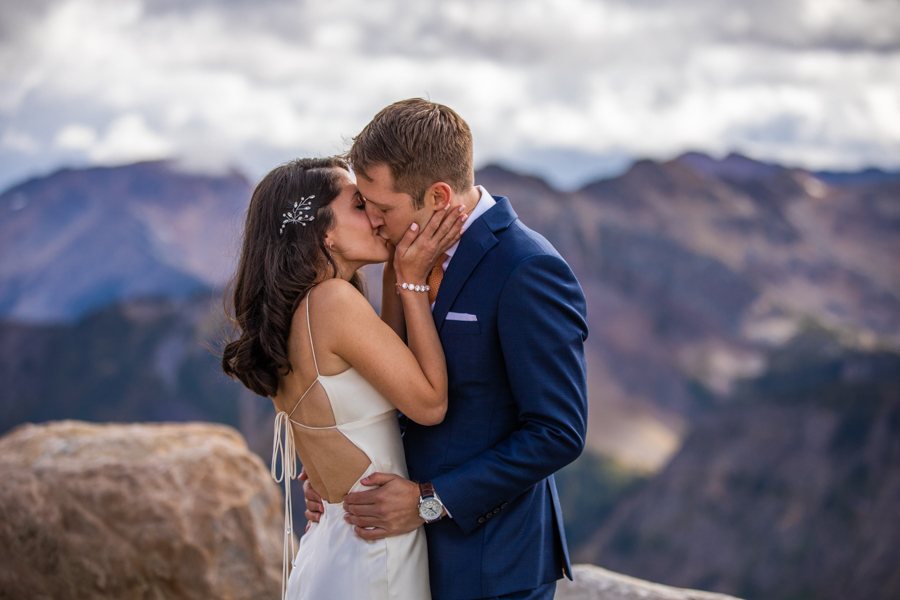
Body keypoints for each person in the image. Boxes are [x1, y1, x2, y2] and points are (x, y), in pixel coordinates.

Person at [303, 99, 589, 600]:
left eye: (382, 207)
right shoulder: (398, 264)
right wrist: (336, 473)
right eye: (364, 204)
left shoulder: (527, 269)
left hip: (492, 569)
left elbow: (557, 432)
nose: (371, 219)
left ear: (437, 196)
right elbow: (389, 390)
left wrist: (427, 503)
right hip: (401, 559)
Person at [221, 156, 467, 600]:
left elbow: (387, 368)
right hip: (375, 552)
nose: (375, 217)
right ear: (323, 233)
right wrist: (412, 283)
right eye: (359, 205)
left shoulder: (301, 311)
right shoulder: (332, 301)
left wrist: (395, 269)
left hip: (331, 546)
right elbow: (429, 403)